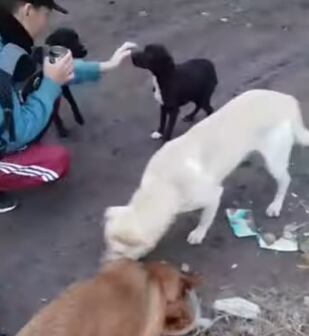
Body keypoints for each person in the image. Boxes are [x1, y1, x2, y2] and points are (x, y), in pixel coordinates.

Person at [0, 0, 136, 213]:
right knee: (54, 164)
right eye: (45, 14)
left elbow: (45, 66)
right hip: (10, 133)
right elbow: (16, 133)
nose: (46, 23)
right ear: (27, 11)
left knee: (44, 89)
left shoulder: (8, 38)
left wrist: (104, 66)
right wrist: (51, 84)